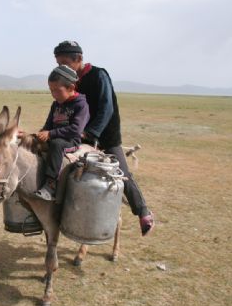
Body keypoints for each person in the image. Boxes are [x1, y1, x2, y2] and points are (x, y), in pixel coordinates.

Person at [53, 40, 155, 236]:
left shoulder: (99, 76)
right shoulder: (69, 80)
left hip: (105, 136)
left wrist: (91, 134)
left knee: (121, 174)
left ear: (79, 59)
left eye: (65, 63)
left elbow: (106, 108)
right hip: (80, 136)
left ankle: (143, 212)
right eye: (58, 64)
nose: (61, 68)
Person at [35, 65, 89, 201]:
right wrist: (42, 132)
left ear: (71, 88)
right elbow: (49, 124)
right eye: (51, 90)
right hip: (54, 136)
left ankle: (51, 185)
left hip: (71, 141)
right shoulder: (56, 104)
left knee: (56, 144)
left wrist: (51, 134)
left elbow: (76, 129)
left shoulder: (80, 105)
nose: (53, 94)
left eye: (57, 90)